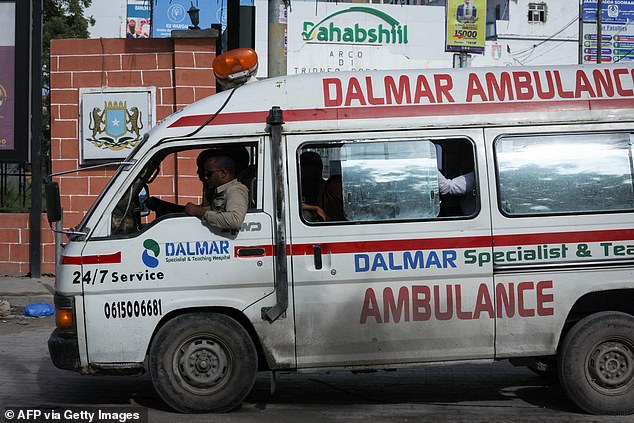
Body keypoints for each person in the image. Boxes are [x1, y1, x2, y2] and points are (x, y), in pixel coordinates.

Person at [184, 155, 249, 231]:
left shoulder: (235, 190)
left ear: (223, 173)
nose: (205, 177)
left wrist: (198, 212)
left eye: (209, 174)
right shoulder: (219, 191)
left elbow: (235, 220)